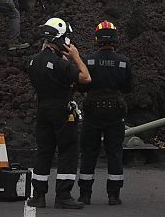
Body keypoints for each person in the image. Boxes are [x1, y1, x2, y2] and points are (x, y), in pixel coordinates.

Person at [26, 18, 92, 209]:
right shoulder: (61, 64)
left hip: (43, 110)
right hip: (62, 111)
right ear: (60, 39)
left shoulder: (33, 61)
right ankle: (63, 195)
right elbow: (86, 78)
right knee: (68, 152)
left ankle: (38, 195)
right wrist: (76, 57)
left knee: (44, 152)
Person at [77, 21, 133, 206]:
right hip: (116, 112)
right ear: (116, 39)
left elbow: (81, 86)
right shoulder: (124, 62)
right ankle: (114, 195)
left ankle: (85, 195)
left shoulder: (88, 60)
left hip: (92, 112)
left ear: (97, 39)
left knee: (88, 153)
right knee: (115, 153)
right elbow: (128, 87)